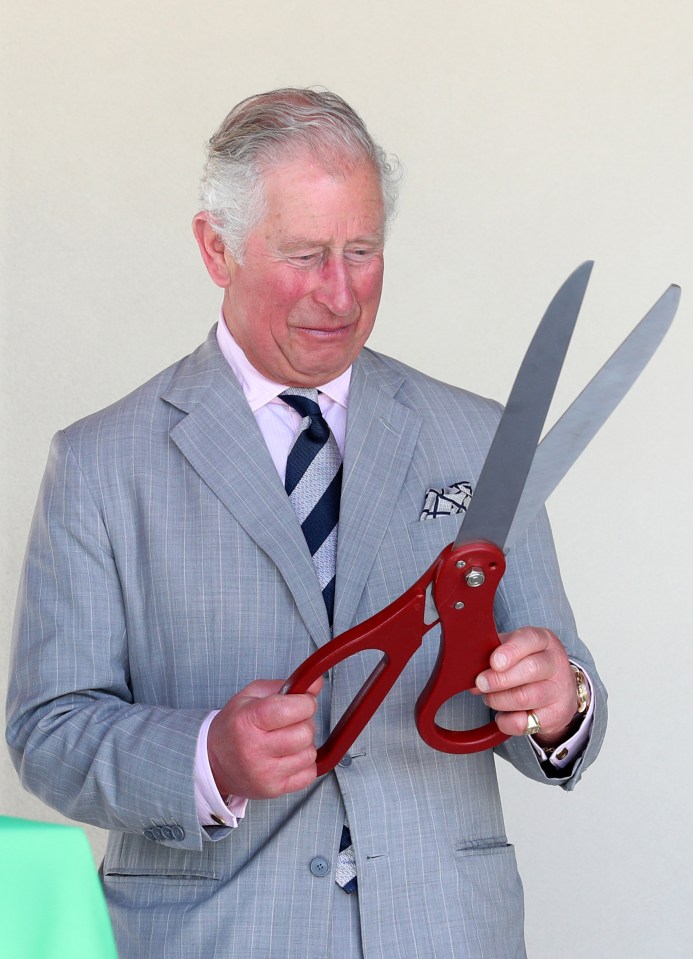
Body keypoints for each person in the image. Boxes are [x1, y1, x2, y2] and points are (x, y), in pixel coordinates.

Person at [7, 88, 606, 959]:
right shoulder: (100, 462)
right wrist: (208, 756)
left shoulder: (480, 438)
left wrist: (561, 704)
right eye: (304, 254)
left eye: (362, 251)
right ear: (216, 248)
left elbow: (565, 699)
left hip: (447, 932)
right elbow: (48, 730)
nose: (339, 292)